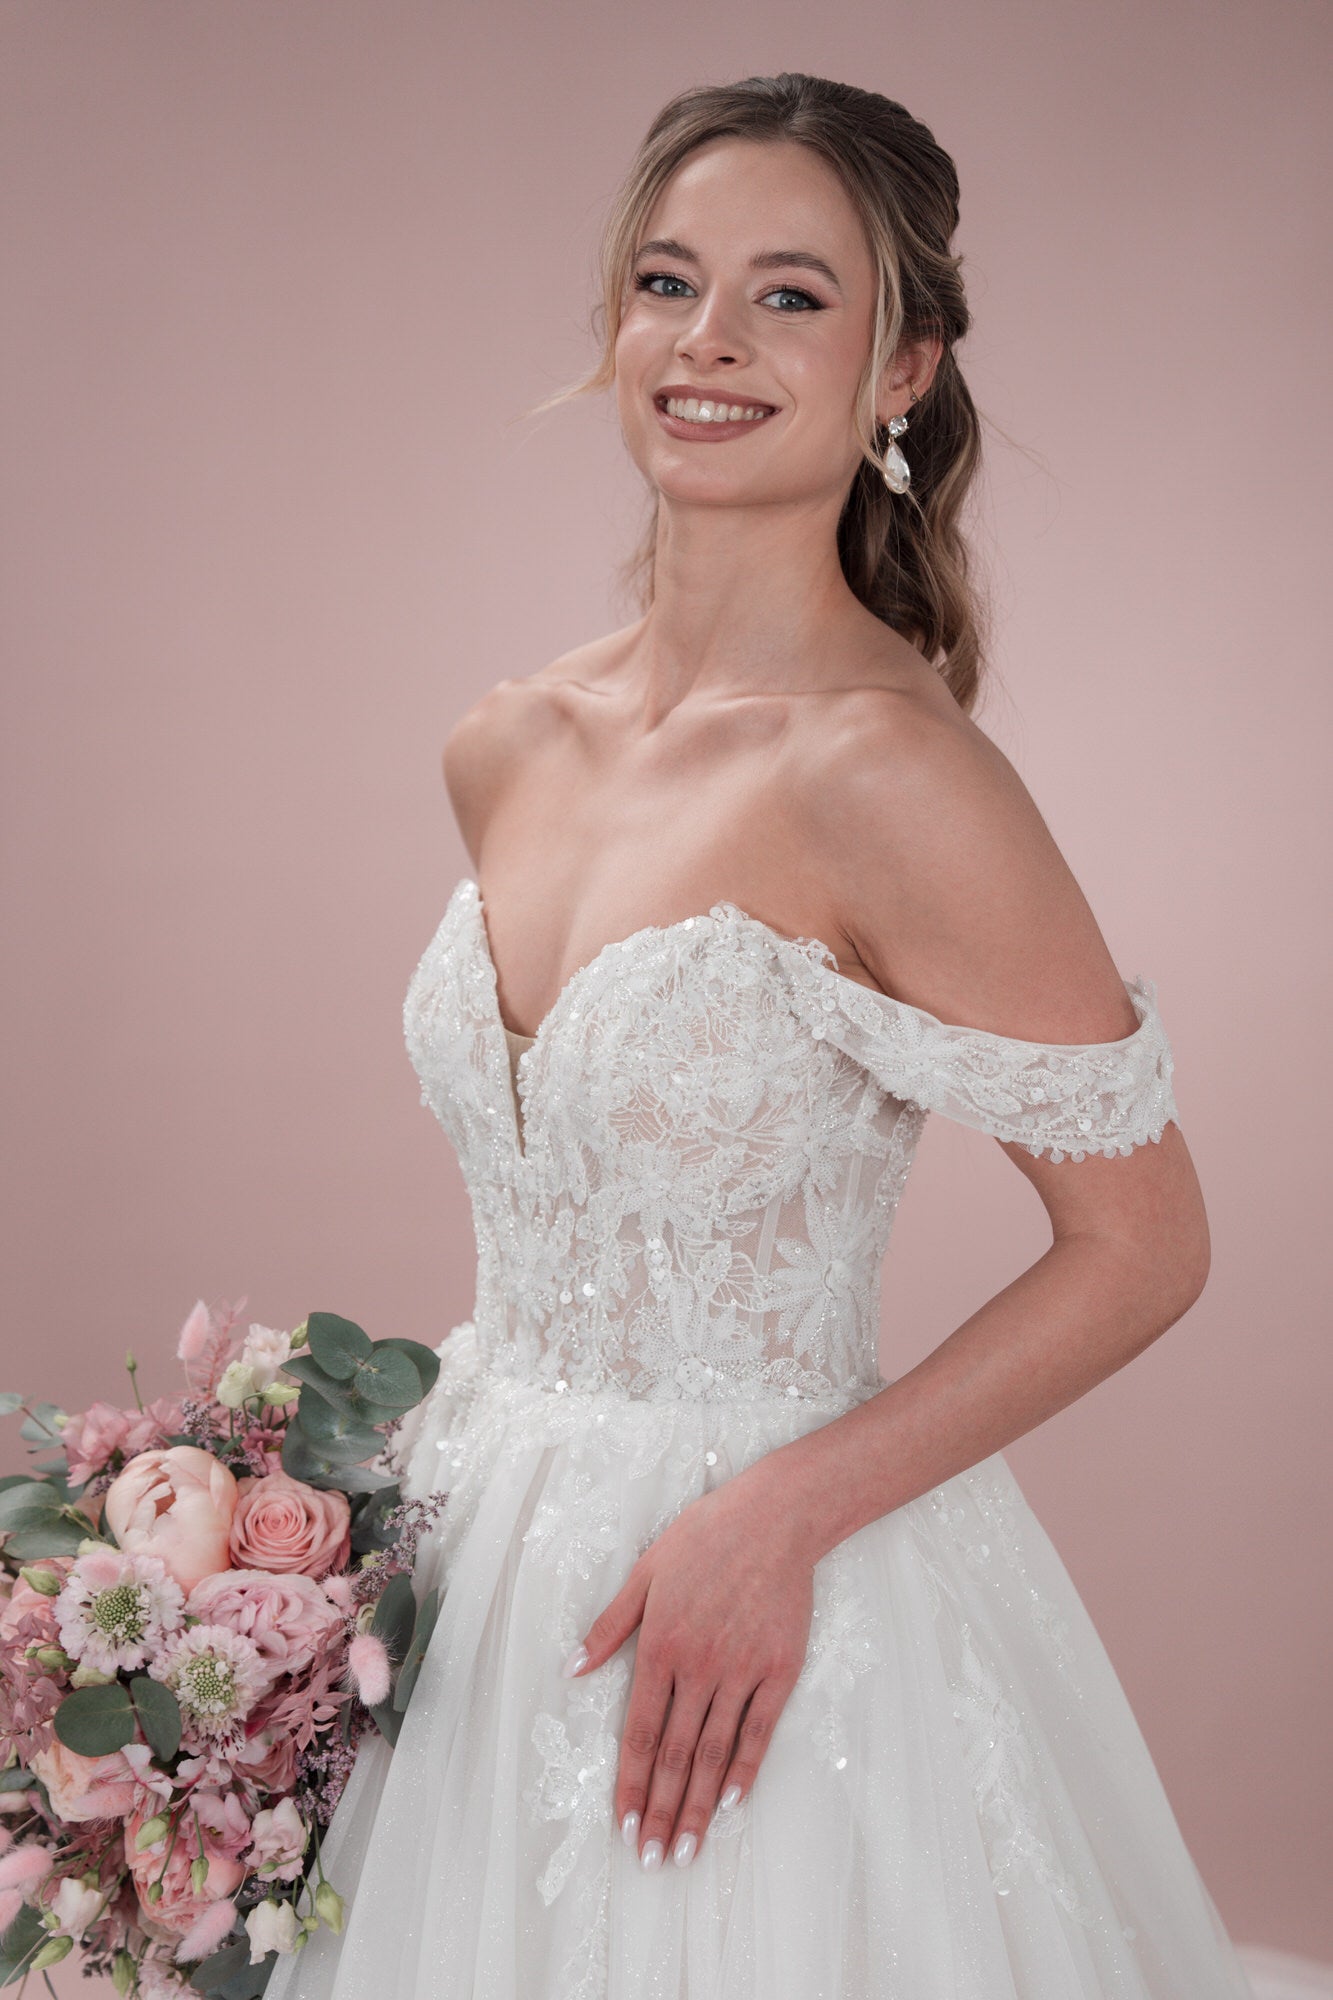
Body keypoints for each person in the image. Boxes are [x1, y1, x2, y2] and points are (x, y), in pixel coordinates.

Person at [269, 71, 1262, 2000]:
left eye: (789, 296)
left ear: (903, 367)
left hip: (766, 1598)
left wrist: (780, 1517)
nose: (708, 340)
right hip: (471, 1573)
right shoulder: (505, 742)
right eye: (667, 282)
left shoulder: (890, 774)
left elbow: (1144, 1245)